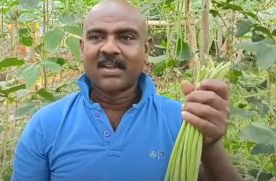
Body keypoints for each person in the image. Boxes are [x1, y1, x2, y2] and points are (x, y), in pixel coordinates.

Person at [12, 0, 242, 180]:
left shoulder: (184, 121)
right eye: (96, 36)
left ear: (146, 48)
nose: (110, 47)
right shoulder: (45, 125)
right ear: (82, 49)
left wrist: (210, 147)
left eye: (126, 37)